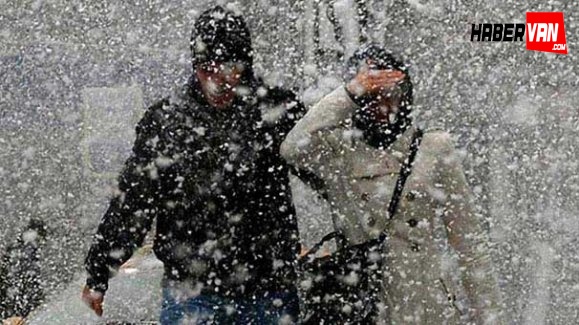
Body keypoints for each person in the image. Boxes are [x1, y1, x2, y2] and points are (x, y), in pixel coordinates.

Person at [82, 6, 306, 324]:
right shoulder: (166, 121)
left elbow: (326, 169)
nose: (216, 81)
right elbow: (133, 203)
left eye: (227, 67)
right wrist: (99, 272)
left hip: (267, 290)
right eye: (206, 68)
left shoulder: (276, 111)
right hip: (192, 292)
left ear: (245, 64)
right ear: (194, 65)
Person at [281, 44, 503, 324]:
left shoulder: (433, 148)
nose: (383, 106)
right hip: (363, 303)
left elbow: (470, 246)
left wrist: (489, 318)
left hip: (426, 306)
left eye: (392, 95)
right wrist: (348, 93)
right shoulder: (337, 150)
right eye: (371, 96)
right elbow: (291, 148)